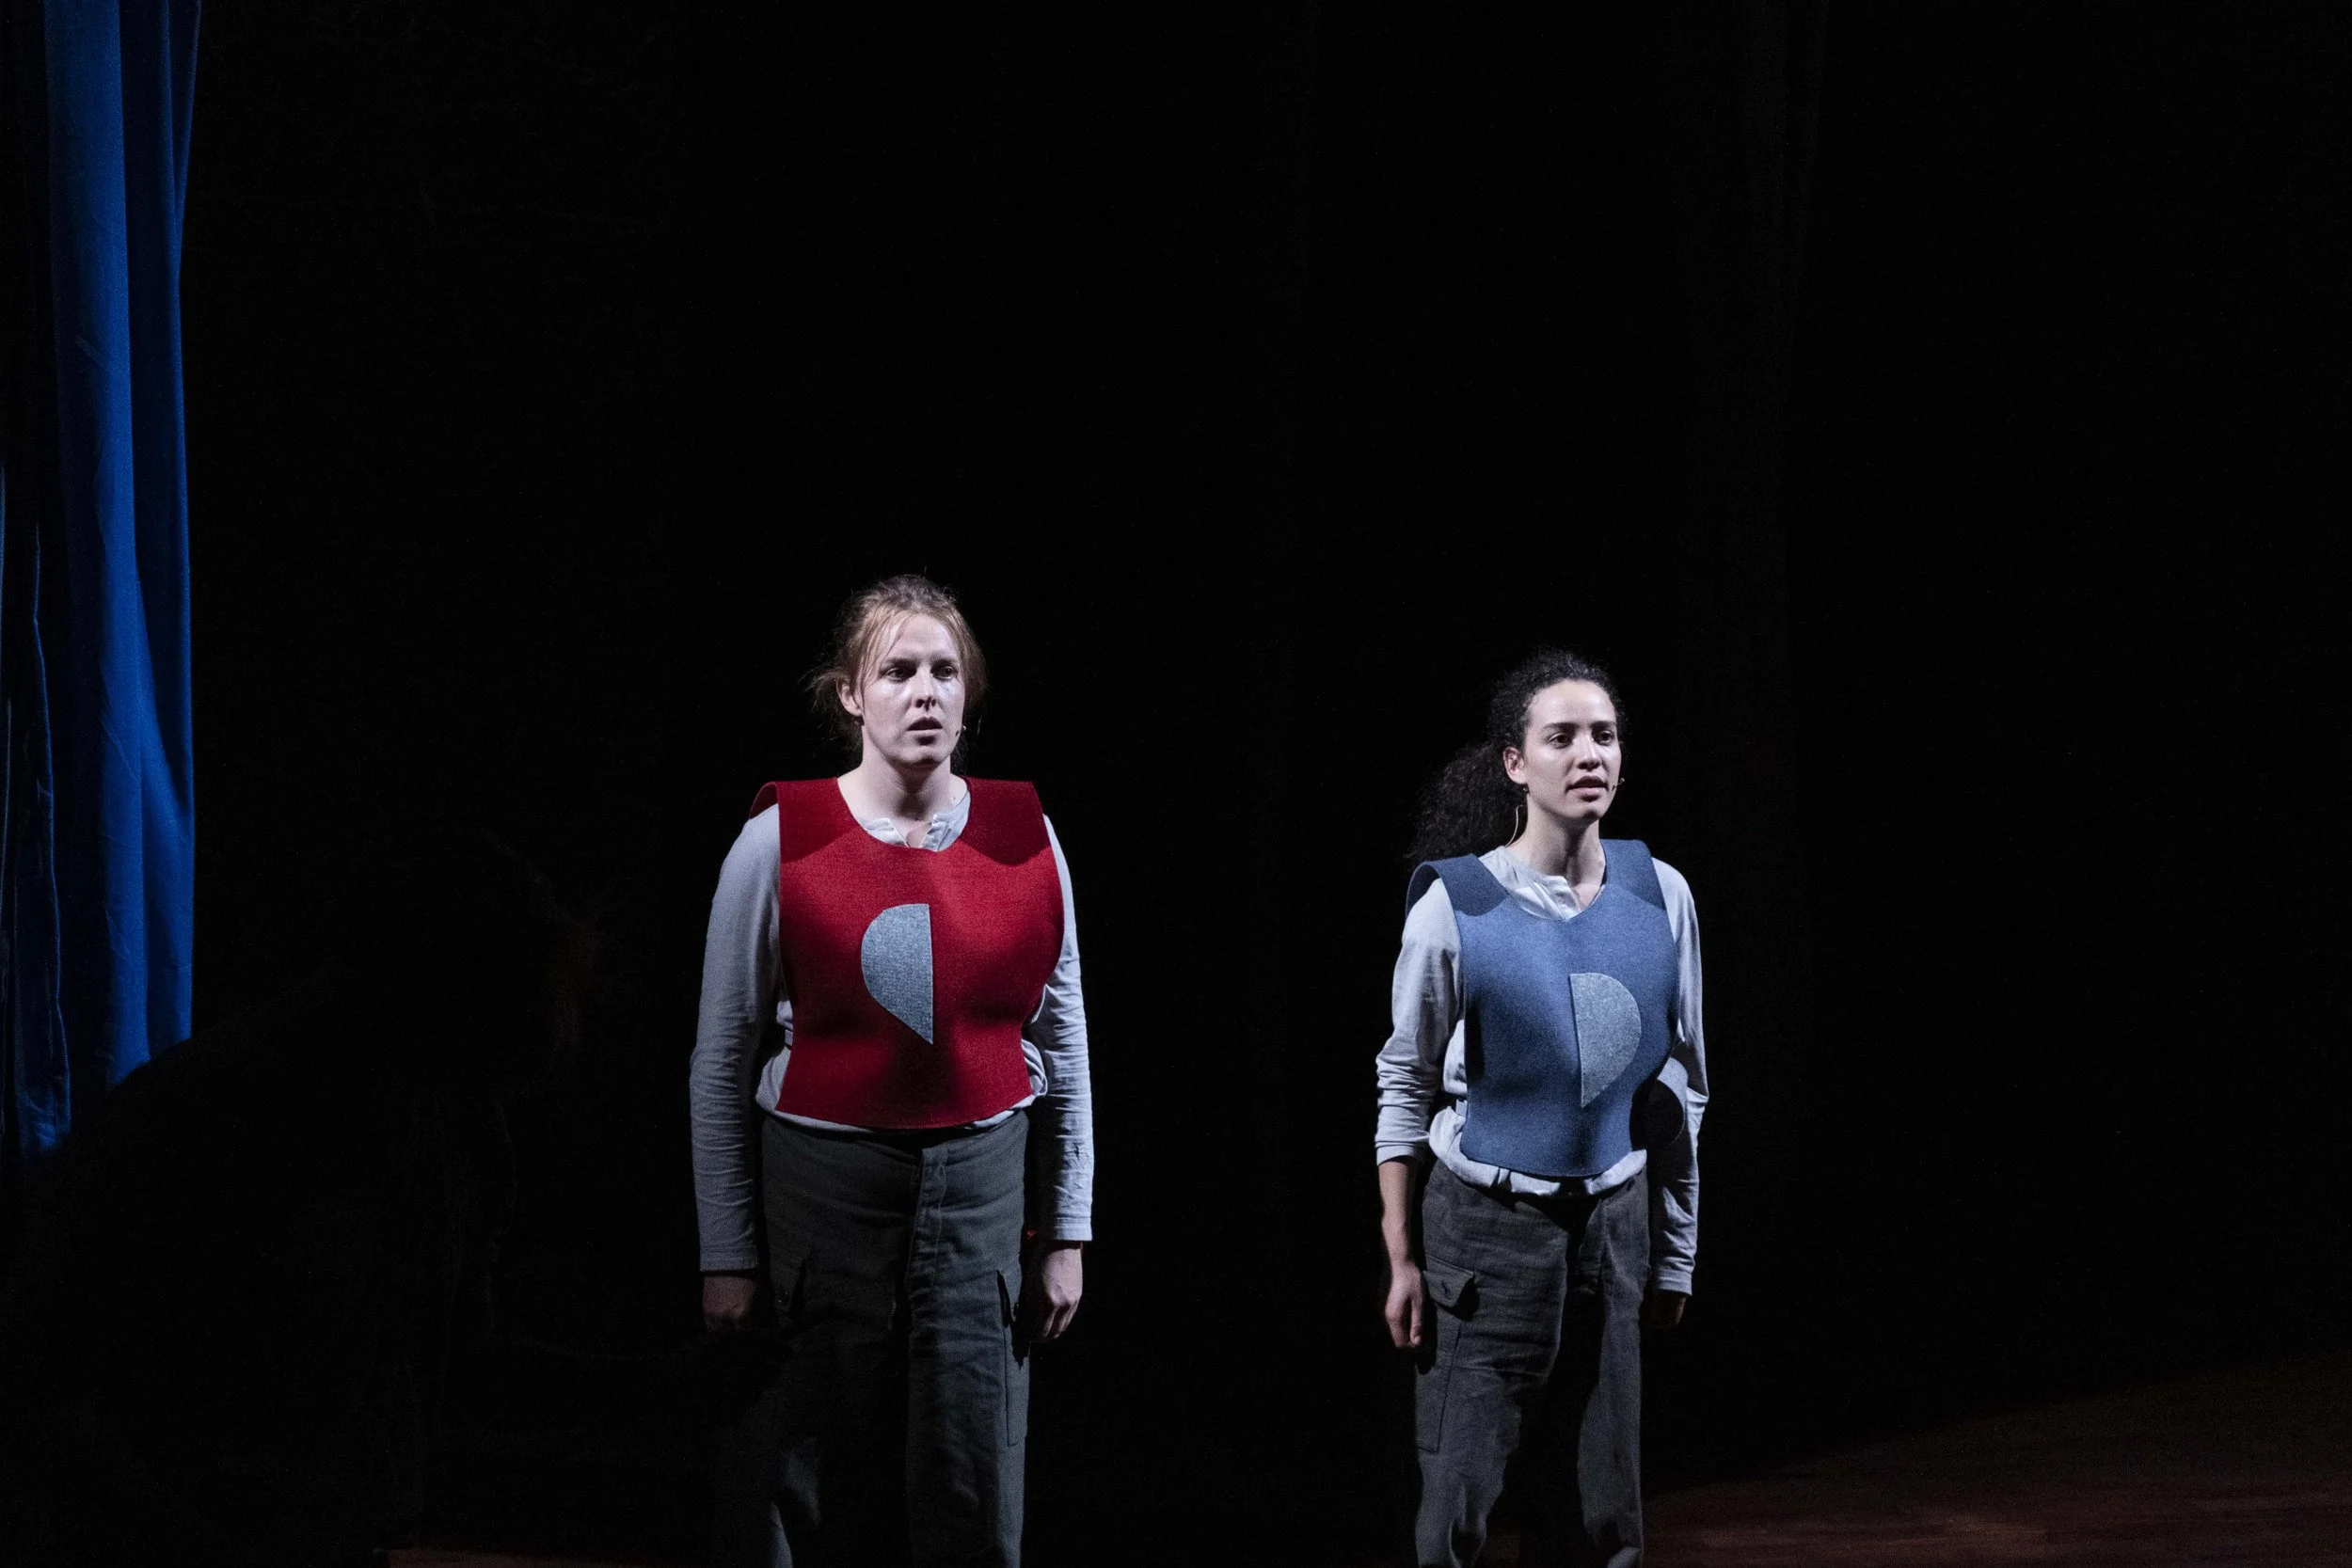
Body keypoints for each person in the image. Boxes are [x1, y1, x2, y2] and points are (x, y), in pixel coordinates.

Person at [690, 573, 1092, 1568]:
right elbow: (721, 1060)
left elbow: (1067, 1042)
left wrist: (1067, 1227)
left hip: (981, 1201)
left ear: (970, 692)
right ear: (849, 694)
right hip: (821, 1204)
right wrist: (727, 1252)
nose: (924, 692)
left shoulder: (1025, 837)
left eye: (944, 671)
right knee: (802, 1469)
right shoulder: (776, 840)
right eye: (898, 670)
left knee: (968, 1475)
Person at [1375, 650, 1707, 1568]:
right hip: (1486, 1226)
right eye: (1559, 736)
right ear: (1516, 763)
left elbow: (1681, 1085)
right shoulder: (1457, 903)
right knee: (1458, 1510)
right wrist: (1400, 1254)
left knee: (1602, 1517)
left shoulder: (1660, 892)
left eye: (1603, 734)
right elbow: (1402, 1083)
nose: (1587, 752)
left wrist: (1671, 1253)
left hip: (1613, 1226)